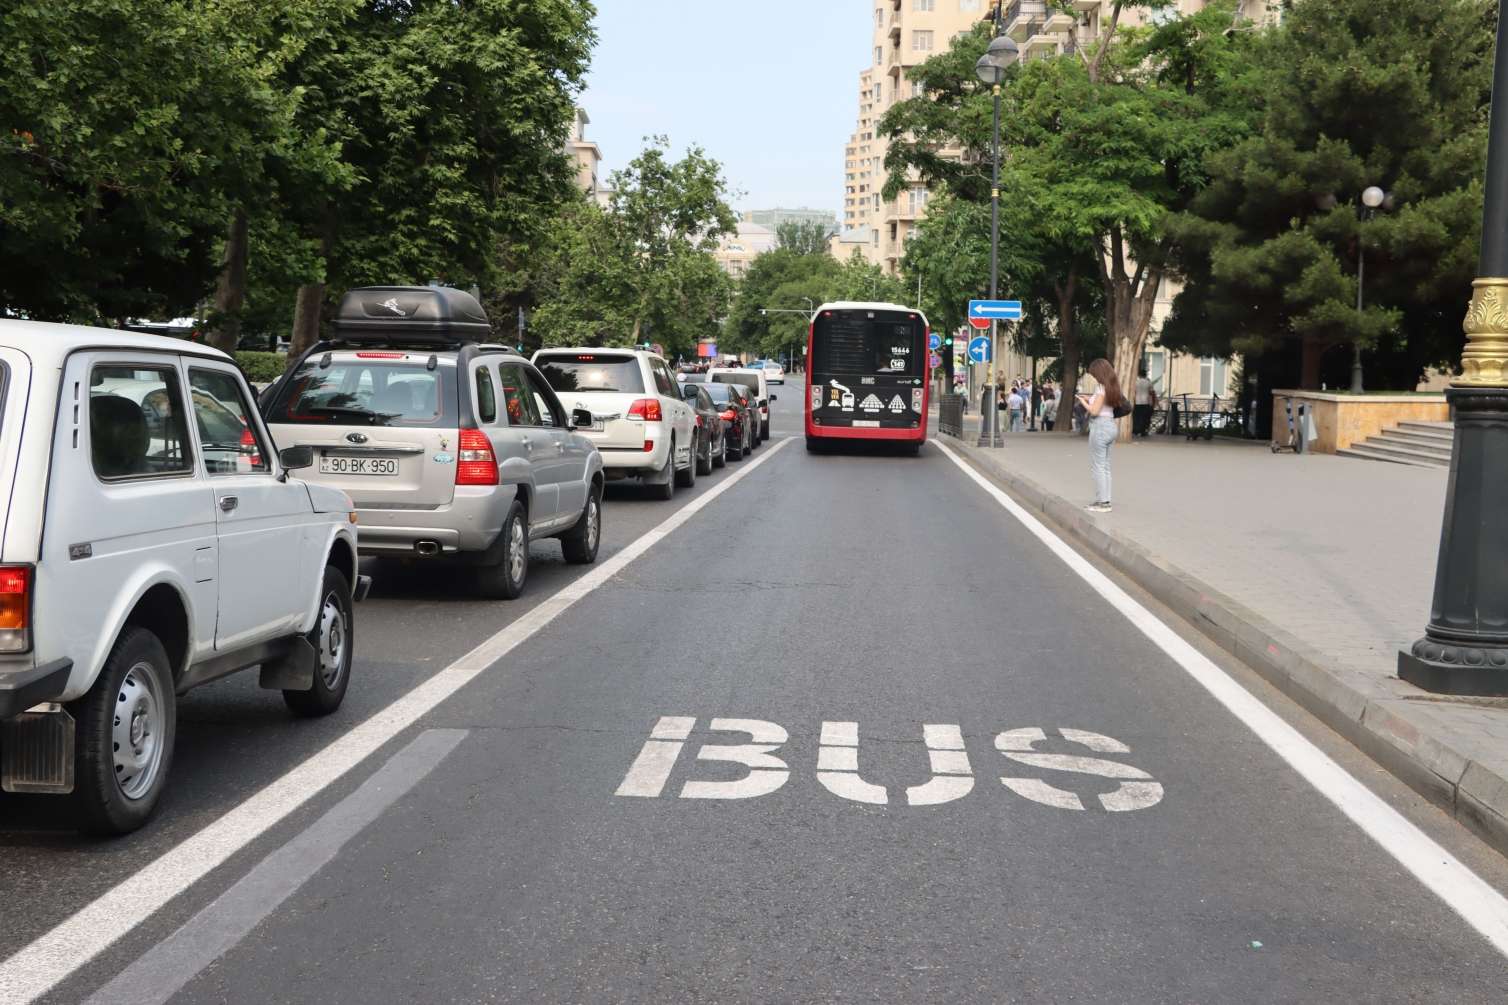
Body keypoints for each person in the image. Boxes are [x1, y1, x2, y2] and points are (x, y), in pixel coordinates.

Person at [1076, 358, 1124, 513]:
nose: (1093, 376)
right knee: (1105, 466)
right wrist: (1088, 399)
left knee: (1098, 467)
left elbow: (1094, 411)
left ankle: (1102, 503)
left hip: (1100, 427)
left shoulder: (1101, 388)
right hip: (1110, 425)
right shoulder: (1112, 387)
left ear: (1099, 373)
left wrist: (1083, 402)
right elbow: (1102, 405)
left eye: (1094, 373)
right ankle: (1106, 499)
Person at [1133, 364, 1157, 438]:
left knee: (1137, 417)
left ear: (1139, 375)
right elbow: (1152, 393)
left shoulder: (1135, 382)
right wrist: (1154, 403)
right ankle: (1143, 431)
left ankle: (1136, 431)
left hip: (1137, 402)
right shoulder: (1148, 382)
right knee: (1145, 418)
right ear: (1145, 375)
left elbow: (1133, 392)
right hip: (1146, 402)